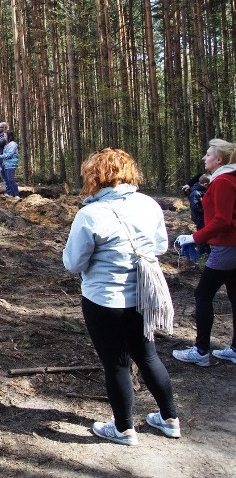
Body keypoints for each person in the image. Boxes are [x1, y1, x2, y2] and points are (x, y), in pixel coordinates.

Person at [63, 148, 179, 446]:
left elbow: (73, 263)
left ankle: (124, 429)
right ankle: (170, 419)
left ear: (94, 176)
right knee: (148, 356)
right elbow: (160, 246)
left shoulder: (90, 214)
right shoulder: (149, 204)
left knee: (116, 364)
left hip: (104, 299)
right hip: (144, 295)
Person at [172, 139, 236, 366]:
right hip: (230, 247)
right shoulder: (227, 180)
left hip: (226, 247)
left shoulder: (223, 182)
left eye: (208, 154)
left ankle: (200, 352)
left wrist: (194, 237)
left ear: (219, 160)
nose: (204, 158)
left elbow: (222, 220)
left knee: (202, 295)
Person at [0, 130, 20, 199]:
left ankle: (17, 195)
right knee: (7, 180)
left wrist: (1, 156)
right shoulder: (8, 144)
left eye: (5, 135)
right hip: (6, 164)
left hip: (11, 164)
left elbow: (10, 154)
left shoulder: (13, 144)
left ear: (9, 136)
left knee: (11, 179)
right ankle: (12, 194)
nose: (4, 137)